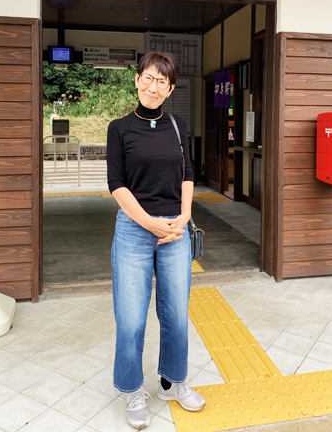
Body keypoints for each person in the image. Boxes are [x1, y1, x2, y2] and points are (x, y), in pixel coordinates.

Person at [107, 51, 206, 430]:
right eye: (148, 78)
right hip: (134, 229)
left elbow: (187, 173)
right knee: (131, 318)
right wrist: (149, 222)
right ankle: (133, 389)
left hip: (175, 230)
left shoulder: (178, 126)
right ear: (136, 80)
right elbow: (117, 184)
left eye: (161, 81)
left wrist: (183, 215)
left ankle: (172, 382)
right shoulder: (119, 128)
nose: (153, 86)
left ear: (170, 89)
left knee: (177, 315)